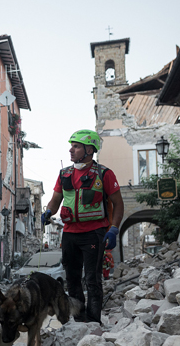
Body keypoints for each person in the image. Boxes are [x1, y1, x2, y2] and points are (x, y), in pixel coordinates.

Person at [41, 130, 123, 323]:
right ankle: (79, 319)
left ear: (89, 150)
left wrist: (114, 228)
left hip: (94, 233)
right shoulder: (64, 174)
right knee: (72, 278)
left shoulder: (104, 174)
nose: (71, 150)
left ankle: (94, 321)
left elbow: (118, 203)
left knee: (93, 279)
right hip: (70, 234)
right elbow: (55, 200)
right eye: (71, 146)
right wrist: (48, 212)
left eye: (76, 146)